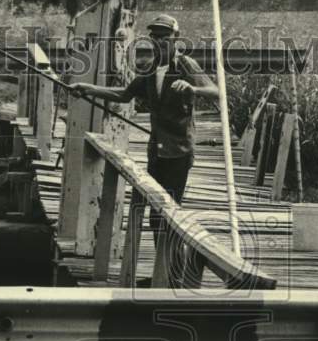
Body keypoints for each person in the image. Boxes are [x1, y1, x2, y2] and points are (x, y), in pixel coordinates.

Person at [70, 14, 218, 284]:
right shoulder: (149, 70)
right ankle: (163, 274)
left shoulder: (185, 64)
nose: (159, 40)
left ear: (175, 38)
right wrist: (88, 88)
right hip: (157, 153)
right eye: (155, 36)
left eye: (165, 36)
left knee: (170, 214)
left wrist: (193, 89)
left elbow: (216, 92)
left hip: (179, 153)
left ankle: (173, 276)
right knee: (155, 215)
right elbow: (123, 95)